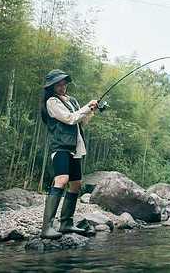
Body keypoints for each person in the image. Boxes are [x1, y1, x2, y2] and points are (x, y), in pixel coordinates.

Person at [40, 69, 98, 239]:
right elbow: (69, 119)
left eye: (63, 83)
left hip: (75, 148)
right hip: (61, 147)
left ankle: (66, 223)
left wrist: (91, 110)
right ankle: (46, 228)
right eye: (58, 84)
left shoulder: (72, 100)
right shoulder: (51, 102)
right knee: (62, 179)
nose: (62, 86)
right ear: (52, 86)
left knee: (76, 184)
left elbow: (82, 121)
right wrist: (87, 106)